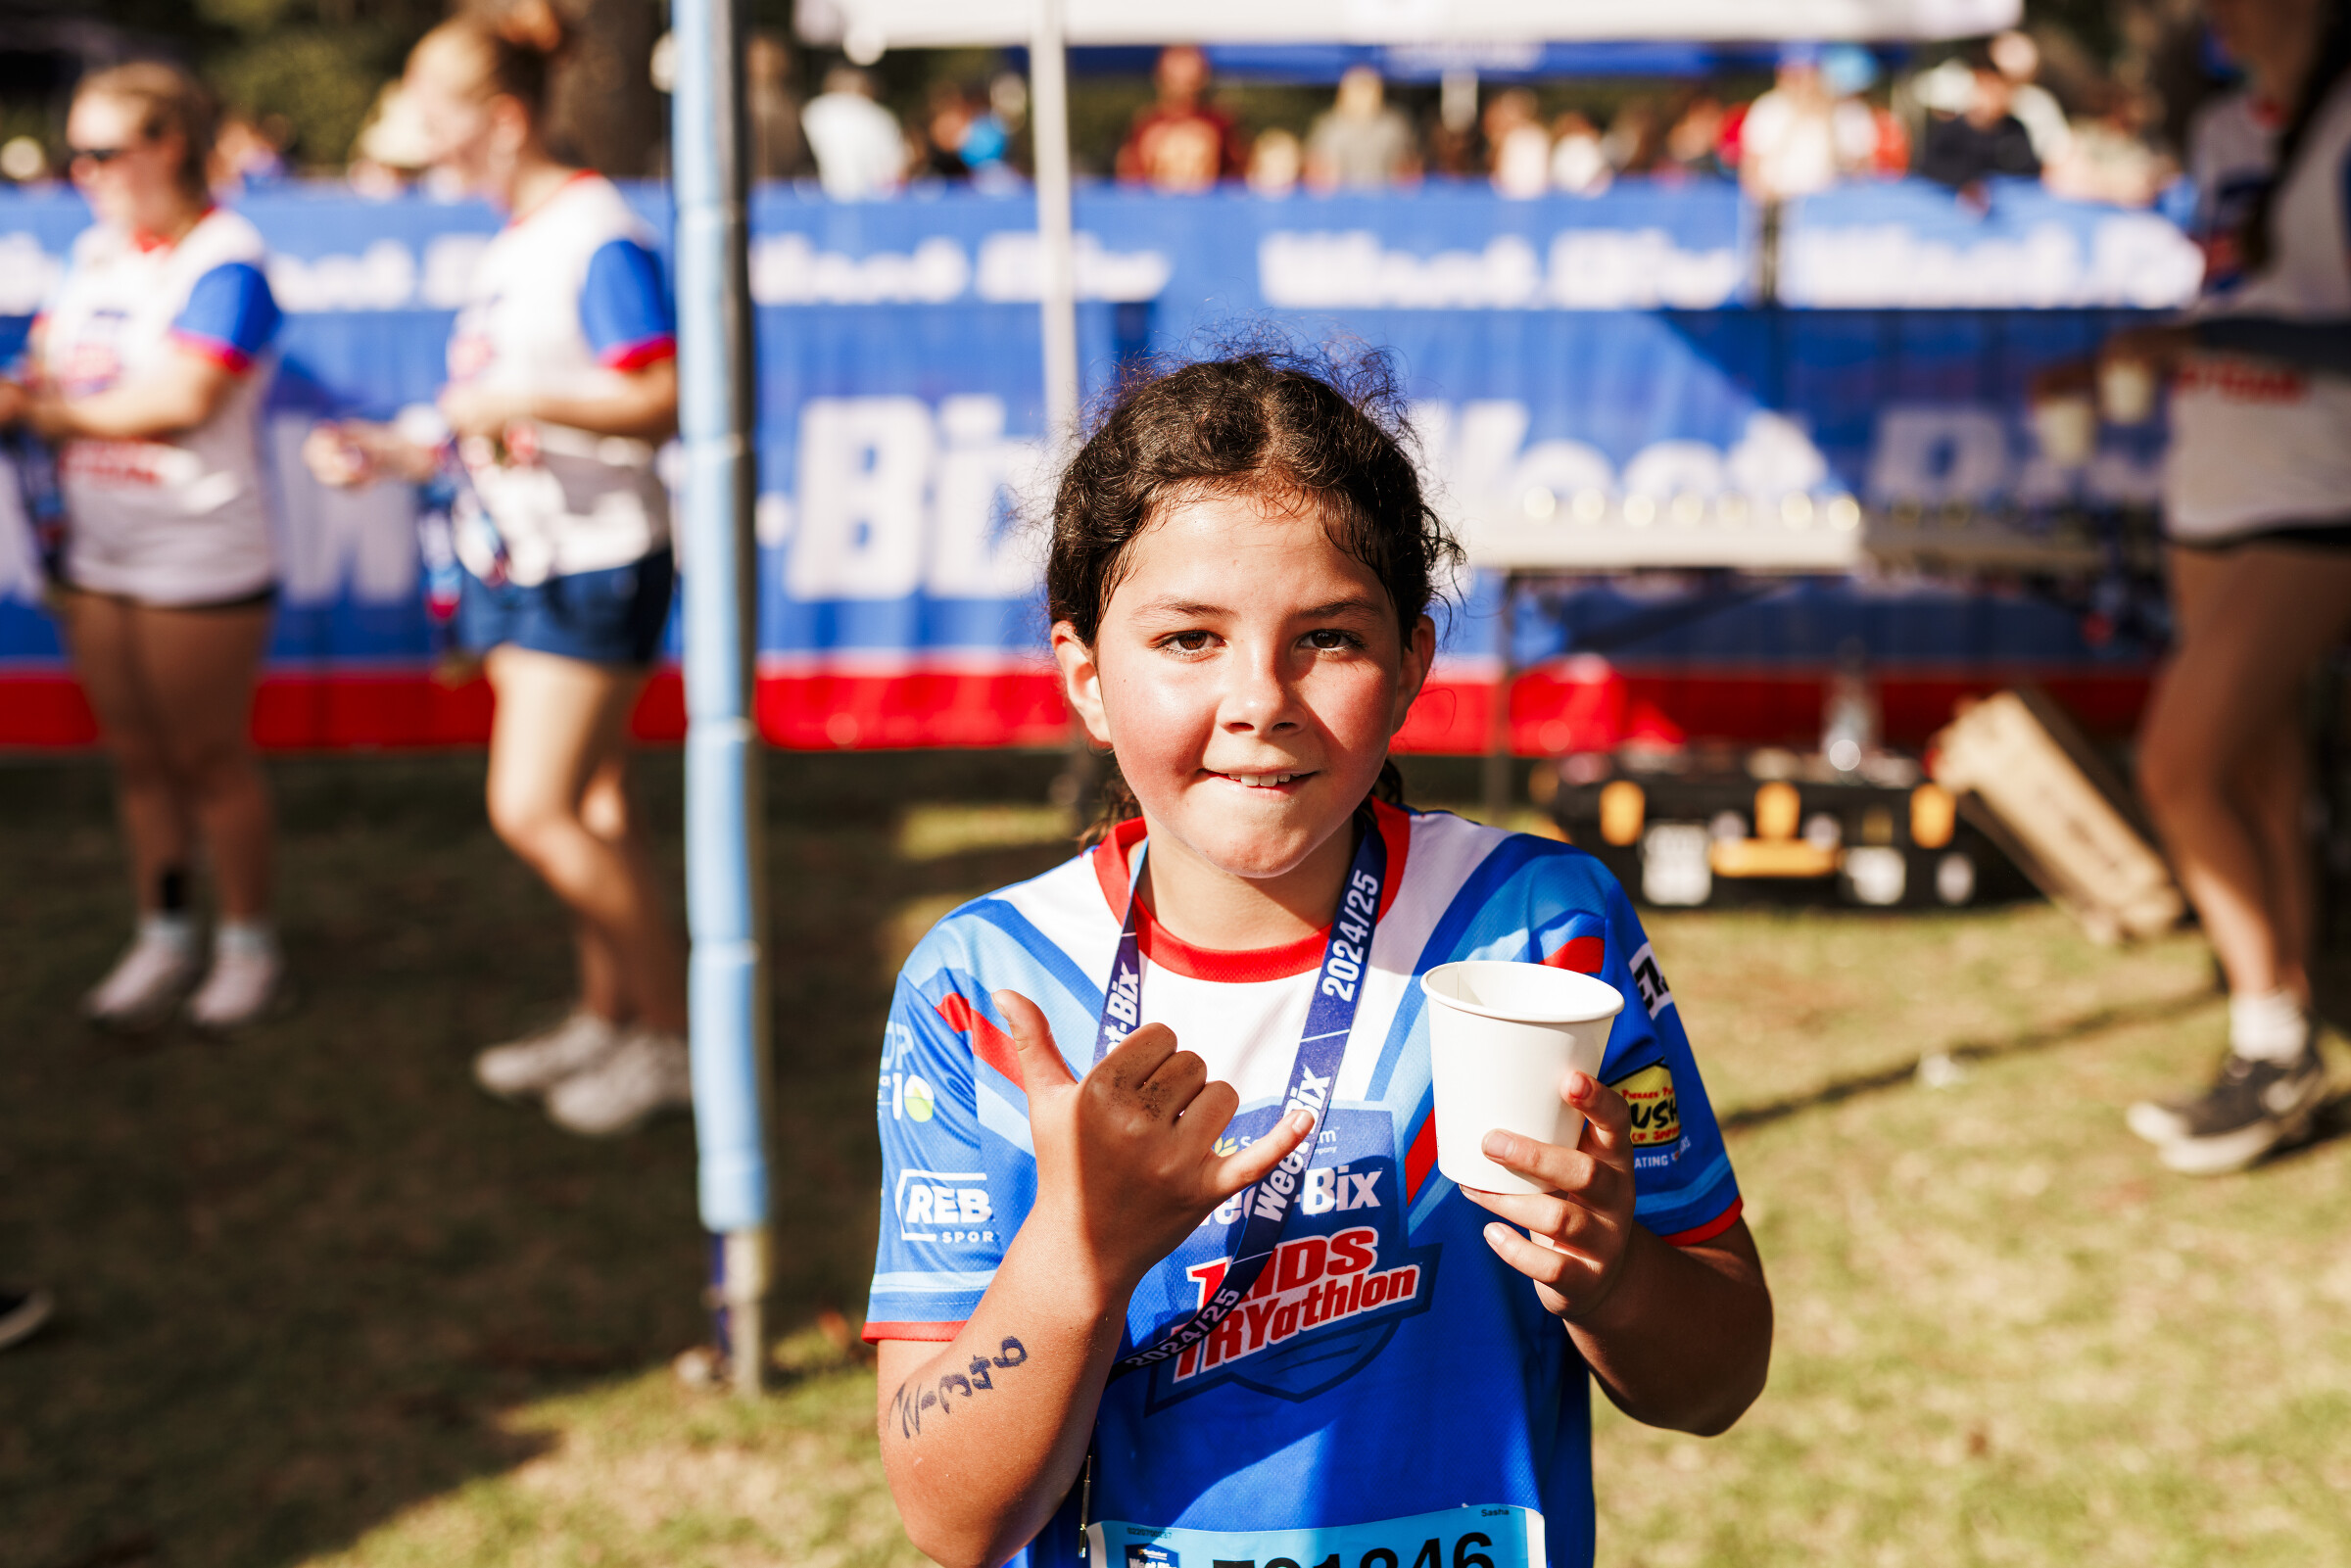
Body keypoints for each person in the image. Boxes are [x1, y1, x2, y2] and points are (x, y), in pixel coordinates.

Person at [864, 348, 1772, 1568]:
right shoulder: (986, 985)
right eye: (1189, 637)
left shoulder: (1536, 928)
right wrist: (1075, 1257)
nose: (1262, 699)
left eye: (1328, 636)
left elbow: (1718, 1378)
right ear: (1086, 676)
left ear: (1410, 666)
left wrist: (1612, 1274)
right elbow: (951, 1516)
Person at [302, 6, 691, 1138]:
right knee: (593, 805)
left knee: (534, 807)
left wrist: (515, 401)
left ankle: (674, 1040)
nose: (424, 144)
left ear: (504, 120)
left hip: (592, 560)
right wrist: (397, 448)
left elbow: (663, 394)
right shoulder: (521, 237)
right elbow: (505, 411)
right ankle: (611, 1015)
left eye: (438, 117)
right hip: (534, 555)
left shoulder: (595, 233)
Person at [2071, 0, 2351, 1174]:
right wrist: (2151, 350)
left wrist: (2196, 347)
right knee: (2256, 765)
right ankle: (2283, 1039)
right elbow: (2236, 303)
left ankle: (2272, 1032)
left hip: (2320, 491)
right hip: (2214, 480)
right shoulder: (2229, 127)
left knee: (2177, 766)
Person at [0, 61, 287, 1032]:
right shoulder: (96, 255)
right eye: (74, 154)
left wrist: (40, 412)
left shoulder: (228, 257)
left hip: (197, 552)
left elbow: (182, 399)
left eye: (102, 152)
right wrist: (31, 391)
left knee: (208, 759)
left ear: (170, 147)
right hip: (100, 549)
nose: (81, 173)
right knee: (137, 760)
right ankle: (164, 934)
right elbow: (49, 366)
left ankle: (247, 945)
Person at [1115, 46, 1247, 193]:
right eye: (1175, 76)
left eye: (1189, 79)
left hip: (1205, 205)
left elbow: (1237, 177)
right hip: (1159, 205)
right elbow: (1130, 181)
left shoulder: (1219, 122)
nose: (1183, 80)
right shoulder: (1146, 123)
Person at [1915, 55, 2042, 191]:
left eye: (2001, 91)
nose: (1995, 98)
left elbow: (2030, 169)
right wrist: (1967, 182)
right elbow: (1929, 167)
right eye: (1989, 90)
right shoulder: (1953, 130)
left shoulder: (2015, 129)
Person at [1303, 65, 1418, 192]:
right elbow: (1318, 174)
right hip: (1341, 198)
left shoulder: (1394, 126)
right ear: (1343, 92)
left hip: (1385, 197)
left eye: (1368, 89)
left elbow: (1407, 172)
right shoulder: (1328, 127)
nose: (1363, 96)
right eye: (1357, 89)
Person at [802, 67, 906, 201]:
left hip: (826, 197)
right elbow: (897, 169)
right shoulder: (883, 117)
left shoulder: (814, 111)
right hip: (876, 199)